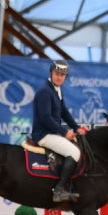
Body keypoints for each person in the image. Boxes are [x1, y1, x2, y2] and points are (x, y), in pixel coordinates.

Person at [31, 59, 86, 202]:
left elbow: (64, 112)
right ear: (51, 73)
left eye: (62, 75)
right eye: (57, 74)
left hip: (52, 132)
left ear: (65, 77)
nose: (59, 77)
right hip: (44, 135)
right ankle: (59, 190)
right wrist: (64, 132)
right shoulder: (45, 92)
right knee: (74, 152)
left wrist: (76, 128)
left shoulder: (56, 90)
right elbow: (45, 118)